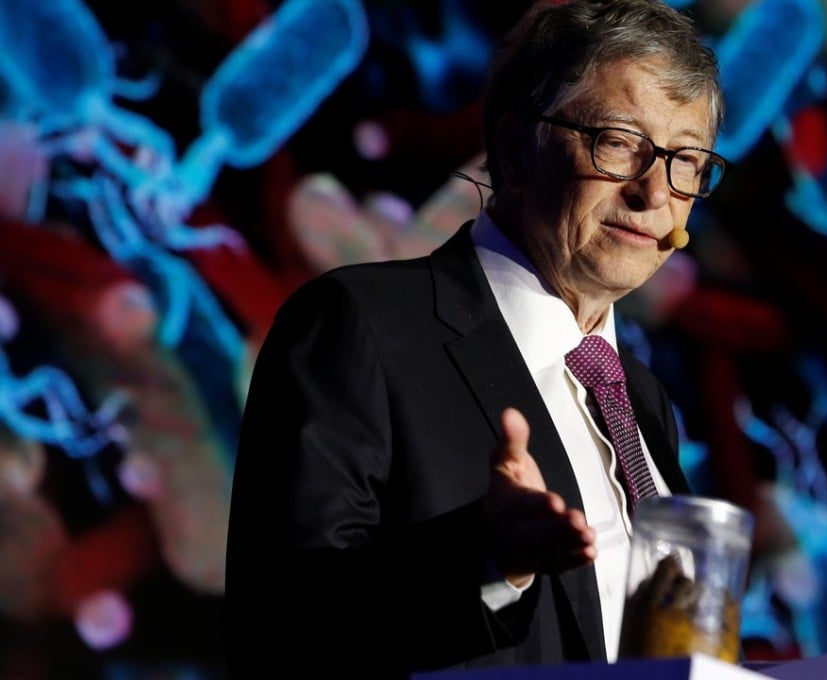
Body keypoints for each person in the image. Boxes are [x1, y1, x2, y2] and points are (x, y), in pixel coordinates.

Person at [223, 0, 727, 676]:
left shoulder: (640, 397)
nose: (654, 193)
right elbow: (282, 625)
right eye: (617, 142)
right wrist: (488, 559)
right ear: (516, 151)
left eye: (686, 160)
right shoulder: (360, 324)